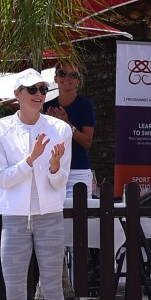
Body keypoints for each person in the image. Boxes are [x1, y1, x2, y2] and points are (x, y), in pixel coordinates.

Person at [0, 68, 71, 300]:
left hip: (49, 216)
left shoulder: (59, 128)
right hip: (14, 219)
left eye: (43, 89)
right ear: (17, 94)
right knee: (14, 293)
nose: (38, 95)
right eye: (32, 89)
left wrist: (55, 165)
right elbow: (2, 179)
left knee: (53, 290)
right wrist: (31, 159)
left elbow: (59, 183)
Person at [44, 60, 95, 198]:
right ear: (56, 78)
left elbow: (87, 143)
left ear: (78, 80)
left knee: (79, 217)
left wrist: (67, 124)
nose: (67, 78)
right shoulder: (46, 106)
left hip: (78, 171)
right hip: (51, 170)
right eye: (62, 73)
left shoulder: (85, 106)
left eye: (72, 75)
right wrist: (50, 126)